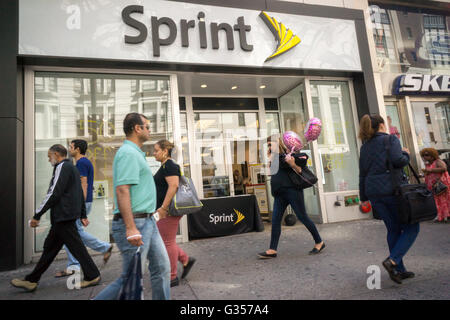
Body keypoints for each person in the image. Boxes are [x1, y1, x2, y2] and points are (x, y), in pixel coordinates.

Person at [94, 113, 170, 300]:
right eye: (147, 126)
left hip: (148, 221)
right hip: (136, 223)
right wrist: (130, 227)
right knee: (131, 279)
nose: (150, 130)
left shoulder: (135, 153)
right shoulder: (128, 153)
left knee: (161, 268)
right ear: (137, 128)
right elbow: (122, 190)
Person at [11, 145, 101, 292]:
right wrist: (83, 214)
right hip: (65, 217)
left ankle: (92, 275)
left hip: (63, 217)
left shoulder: (62, 167)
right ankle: (32, 280)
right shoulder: (72, 168)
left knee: (75, 248)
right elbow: (78, 192)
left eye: (49, 156)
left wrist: (37, 215)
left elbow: (53, 193)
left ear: (56, 154)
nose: (48, 159)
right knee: (50, 250)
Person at [359, 114, 419, 284]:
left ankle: (399, 270)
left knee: (393, 229)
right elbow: (398, 160)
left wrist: (363, 197)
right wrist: (406, 154)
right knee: (411, 227)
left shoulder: (365, 147)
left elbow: (362, 173)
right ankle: (392, 261)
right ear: (382, 126)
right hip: (393, 191)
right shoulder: (390, 140)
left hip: (374, 193)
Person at [258, 136, 324, 259]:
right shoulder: (276, 159)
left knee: (303, 217)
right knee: (276, 220)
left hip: (292, 192)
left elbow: (302, 163)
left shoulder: (287, 156)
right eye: (268, 145)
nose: (269, 147)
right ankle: (272, 249)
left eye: (270, 144)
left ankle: (319, 242)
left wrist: (292, 163)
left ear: (277, 144)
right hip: (279, 194)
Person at [54, 139, 113, 278]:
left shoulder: (81, 163)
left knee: (71, 233)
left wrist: (79, 206)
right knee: (73, 233)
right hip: (83, 203)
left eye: (71, 146)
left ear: (78, 149)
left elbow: (83, 184)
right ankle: (77, 263)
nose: (69, 148)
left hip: (81, 203)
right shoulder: (82, 162)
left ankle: (75, 265)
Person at [153, 140, 196, 287]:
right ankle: (185, 259)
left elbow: (174, 186)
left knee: (167, 242)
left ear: (165, 151)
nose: (154, 153)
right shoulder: (165, 166)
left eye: (156, 150)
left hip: (169, 210)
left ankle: (172, 277)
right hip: (165, 210)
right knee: (165, 240)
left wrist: (163, 208)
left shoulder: (170, 165)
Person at [420, 148, 450, 223]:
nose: (424, 157)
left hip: (441, 184)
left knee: (444, 200)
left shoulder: (438, 161)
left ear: (432, 155)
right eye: (423, 155)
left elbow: (444, 168)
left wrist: (430, 170)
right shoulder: (427, 164)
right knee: (438, 201)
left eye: (427, 155)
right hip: (433, 186)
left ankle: (446, 216)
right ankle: (442, 216)